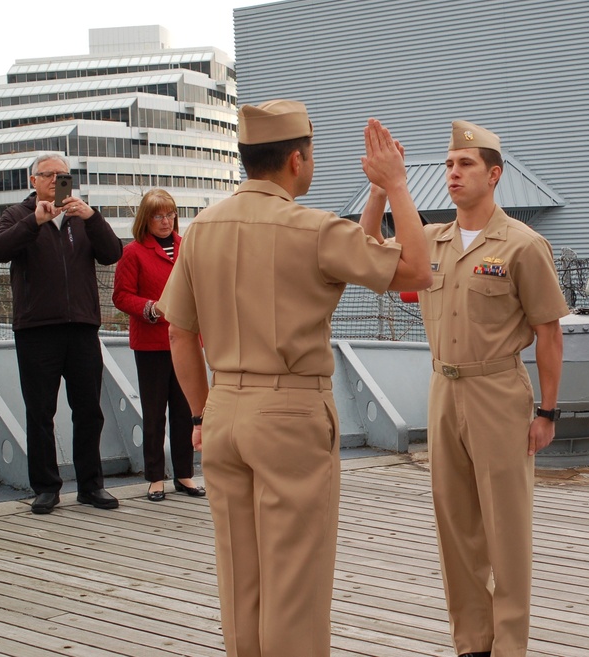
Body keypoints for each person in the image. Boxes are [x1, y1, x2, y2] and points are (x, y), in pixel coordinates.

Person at [158, 100, 431, 657]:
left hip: (224, 413)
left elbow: (179, 334)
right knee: (295, 587)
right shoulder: (309, 227)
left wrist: (200, 412)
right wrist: (397, 186)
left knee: (242, 581)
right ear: (296, 160)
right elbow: (416, 270)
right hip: (289, 415)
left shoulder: (204, 227)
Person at [360, 120, 568, 657]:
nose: (453, 173)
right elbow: (366, 250)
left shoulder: (523, 244)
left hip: (498, 390)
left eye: (466, 164)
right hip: (443, 388)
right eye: (450, 164)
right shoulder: (429, 239)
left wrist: (548, 411)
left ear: (494, 174)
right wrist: (381, 188)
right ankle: (472, 641)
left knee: (506, 529)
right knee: (455, 526)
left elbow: (549, 333)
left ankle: (510, 644)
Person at [0, 154, 123, 515]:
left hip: (81, 327)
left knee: (89, 412)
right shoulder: (18, 215)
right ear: (33, 181)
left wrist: (92, 218)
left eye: (63, 175)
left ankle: (92, 486)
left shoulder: (81, 217)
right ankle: (46, 488)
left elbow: (112, 253)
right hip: (36, 329)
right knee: (40, 412)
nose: (56, 180)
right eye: (48, 175)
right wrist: (35, 221)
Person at [112, 189, 203, 502]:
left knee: (186, 411)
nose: (166, 221)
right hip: (151, 344)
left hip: (187, 340)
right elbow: (121, 296)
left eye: (170, 214)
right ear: (146, 219)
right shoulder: (133, 253)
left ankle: (185, 474)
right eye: (158, 215)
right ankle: (155, 478)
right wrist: (150, 307)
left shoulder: (186, 247)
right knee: (154, 413)